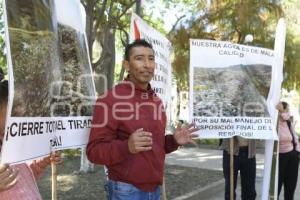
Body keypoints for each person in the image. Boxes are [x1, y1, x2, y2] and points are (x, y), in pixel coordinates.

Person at [87, 39, 198, 200]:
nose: (147, 64)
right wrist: (127, 146)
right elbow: (93, 152)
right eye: (139, 58)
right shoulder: (110, 100)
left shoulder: (156, 101)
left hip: (155, 189)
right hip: (125, 190)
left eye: (151, 59)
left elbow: (154, 145)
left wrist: (173, 141)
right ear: (126, 65)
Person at [0, 80, 62, 199]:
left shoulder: (14, 142)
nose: (20, 118)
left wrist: (43, 160)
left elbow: (24, 178)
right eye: (12, 112)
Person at [276, 101, 300, 200]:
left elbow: (295, 138)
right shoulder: (274, 124)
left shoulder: (288, 122)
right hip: (279, 157)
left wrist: (297, 152)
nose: (287, 112)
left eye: (287, 110)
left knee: (290, 187)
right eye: (285, 110)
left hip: (292, 156)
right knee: (276, 187)